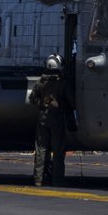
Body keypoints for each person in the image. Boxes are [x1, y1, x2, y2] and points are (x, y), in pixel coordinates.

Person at [28, 54, 69, 187]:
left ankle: (38, 179)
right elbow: (71, 100)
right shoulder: (61, 83)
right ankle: (57, 180)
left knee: (41, 150)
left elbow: (32, 98)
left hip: (43, 119)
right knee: (58, 151)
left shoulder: (41, 82)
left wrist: (42, 104)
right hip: (57, 119)